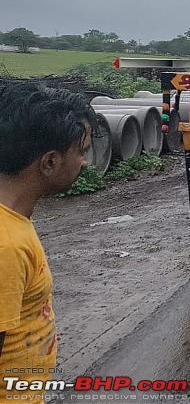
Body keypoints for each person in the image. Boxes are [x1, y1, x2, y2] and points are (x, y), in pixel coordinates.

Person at [0, 81, 97, 402]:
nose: (84, 162)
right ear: (50, 162)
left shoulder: (13, 221)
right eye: (80, 152)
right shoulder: (6, 245)